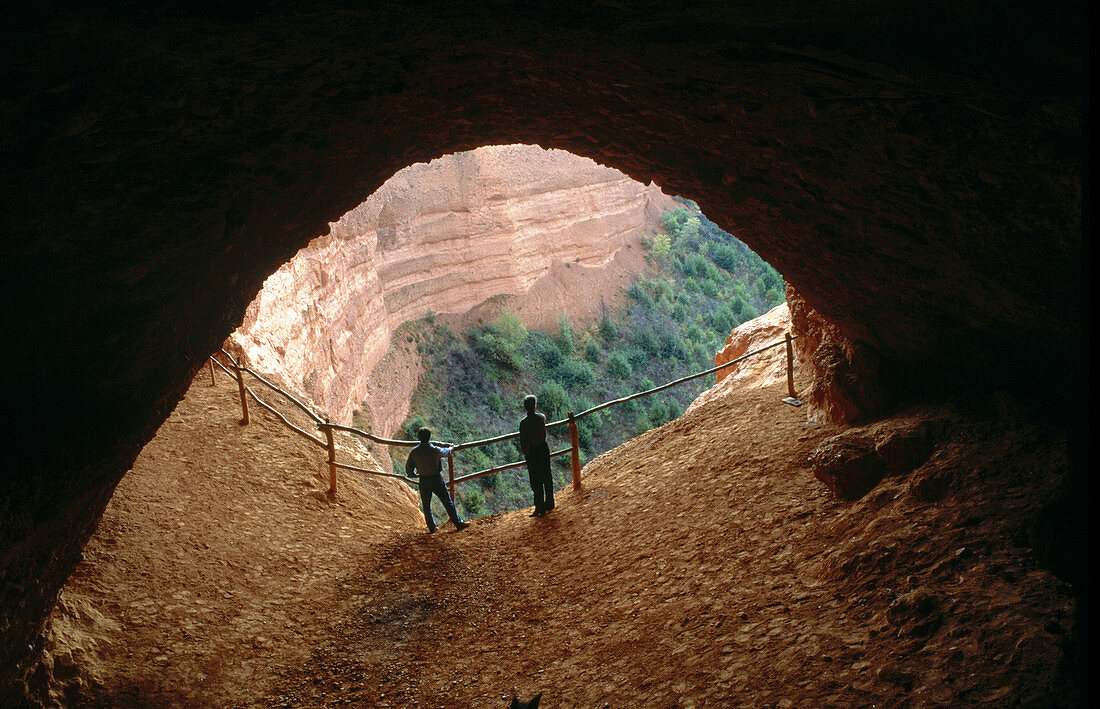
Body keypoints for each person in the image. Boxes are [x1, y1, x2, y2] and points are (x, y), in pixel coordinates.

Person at [406, 427, 468, 533]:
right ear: (429, 437)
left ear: (419, 437)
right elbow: (446, 452)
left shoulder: (414, 451)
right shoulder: (434, 449)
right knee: (447, 502)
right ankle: (458, 523)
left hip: (423, 480)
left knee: (426, 505)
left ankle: (432, 528)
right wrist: (452, 447)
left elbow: (408, 467)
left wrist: (414, 475)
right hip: (436, 479)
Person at [519, 394, 554, 516]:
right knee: (547, 477)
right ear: (534, 406)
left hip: (532, 452)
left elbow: (523, 441)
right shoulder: (541, 418)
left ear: (525, 408)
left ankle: (539, 507)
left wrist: (527, 454)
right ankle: (550, 503)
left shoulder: (523, 423)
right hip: (543, 449)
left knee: (536, 481)